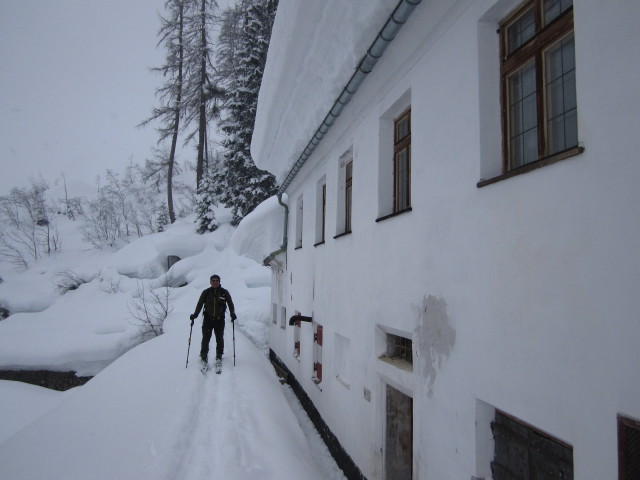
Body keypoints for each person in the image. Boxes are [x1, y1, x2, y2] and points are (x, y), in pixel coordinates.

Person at [190, 274, 236, 366]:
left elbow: (230, 303)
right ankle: (204, 356)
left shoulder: (224, 292)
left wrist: (232, 313)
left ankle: (219, 356)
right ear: (210, 282)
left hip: (219, 320)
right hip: (208, 319)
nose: (215, 282)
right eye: (213, 280)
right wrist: (195, 314)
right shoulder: (206, 292)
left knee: (219, 338)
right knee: (206, 338)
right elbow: (200, 304)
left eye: (216, 280)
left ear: (219, 282)